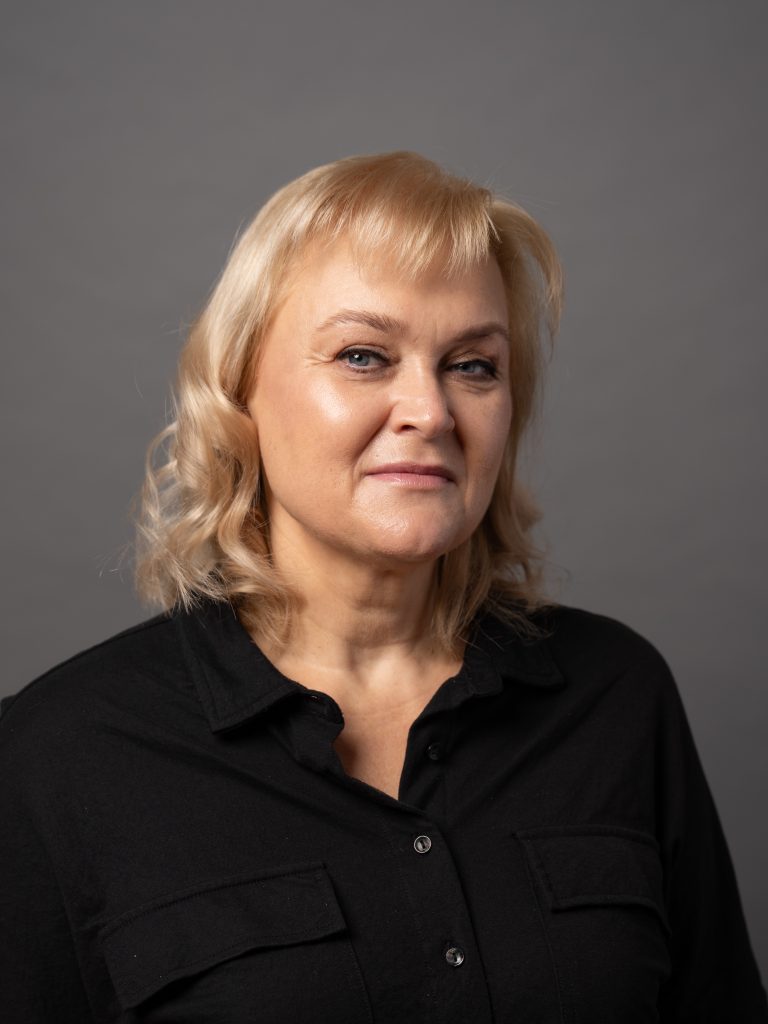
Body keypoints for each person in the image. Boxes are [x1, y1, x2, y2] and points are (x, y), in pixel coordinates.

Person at [1, 151, 765, 1023]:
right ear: (239, 393)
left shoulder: (618, 697)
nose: (431, 412)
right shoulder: (59, 754)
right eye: (364, 356)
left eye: (473, 365)